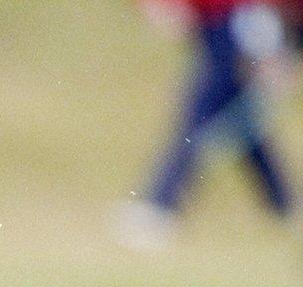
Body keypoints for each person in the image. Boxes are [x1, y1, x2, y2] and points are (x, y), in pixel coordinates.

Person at [118, 0, 300, 250]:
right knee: (239, 125)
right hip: (216, 28)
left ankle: (160, 206)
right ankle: (285, 205)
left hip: (238, 26)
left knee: (200, 116)